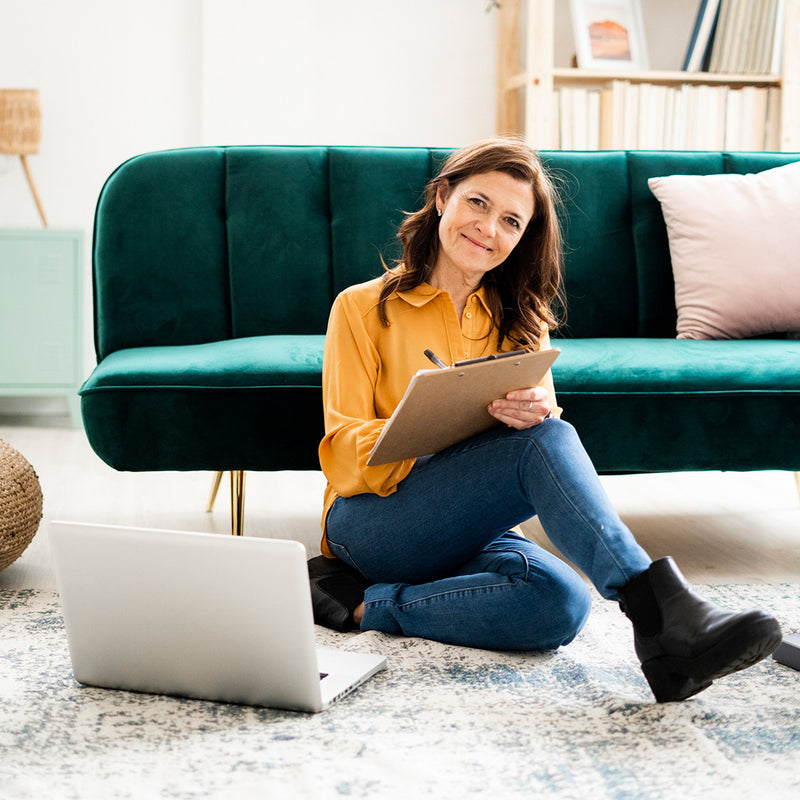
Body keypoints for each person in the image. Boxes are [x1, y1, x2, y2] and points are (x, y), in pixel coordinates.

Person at [308, 137, 781, 703]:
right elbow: (343, 454)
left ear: (521, 238)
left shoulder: (523, 322)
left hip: (469, 526)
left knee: (562, 603)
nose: (489, 228)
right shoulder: (361, 308)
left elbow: (544, 447)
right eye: (477, 203)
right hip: (371, 525)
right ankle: (663, 616)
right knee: (543, 442)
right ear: (442, 198)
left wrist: (528, 415)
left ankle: (365, 606)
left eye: (511, 220)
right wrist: (433, 422)